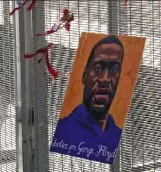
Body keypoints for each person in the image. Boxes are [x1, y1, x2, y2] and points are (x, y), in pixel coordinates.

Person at [50, 35, 124, 164]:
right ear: (84, 76)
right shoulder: (65, 130)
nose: (105, 79)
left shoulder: (117, 133)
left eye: (114, 69)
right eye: (98, 68)